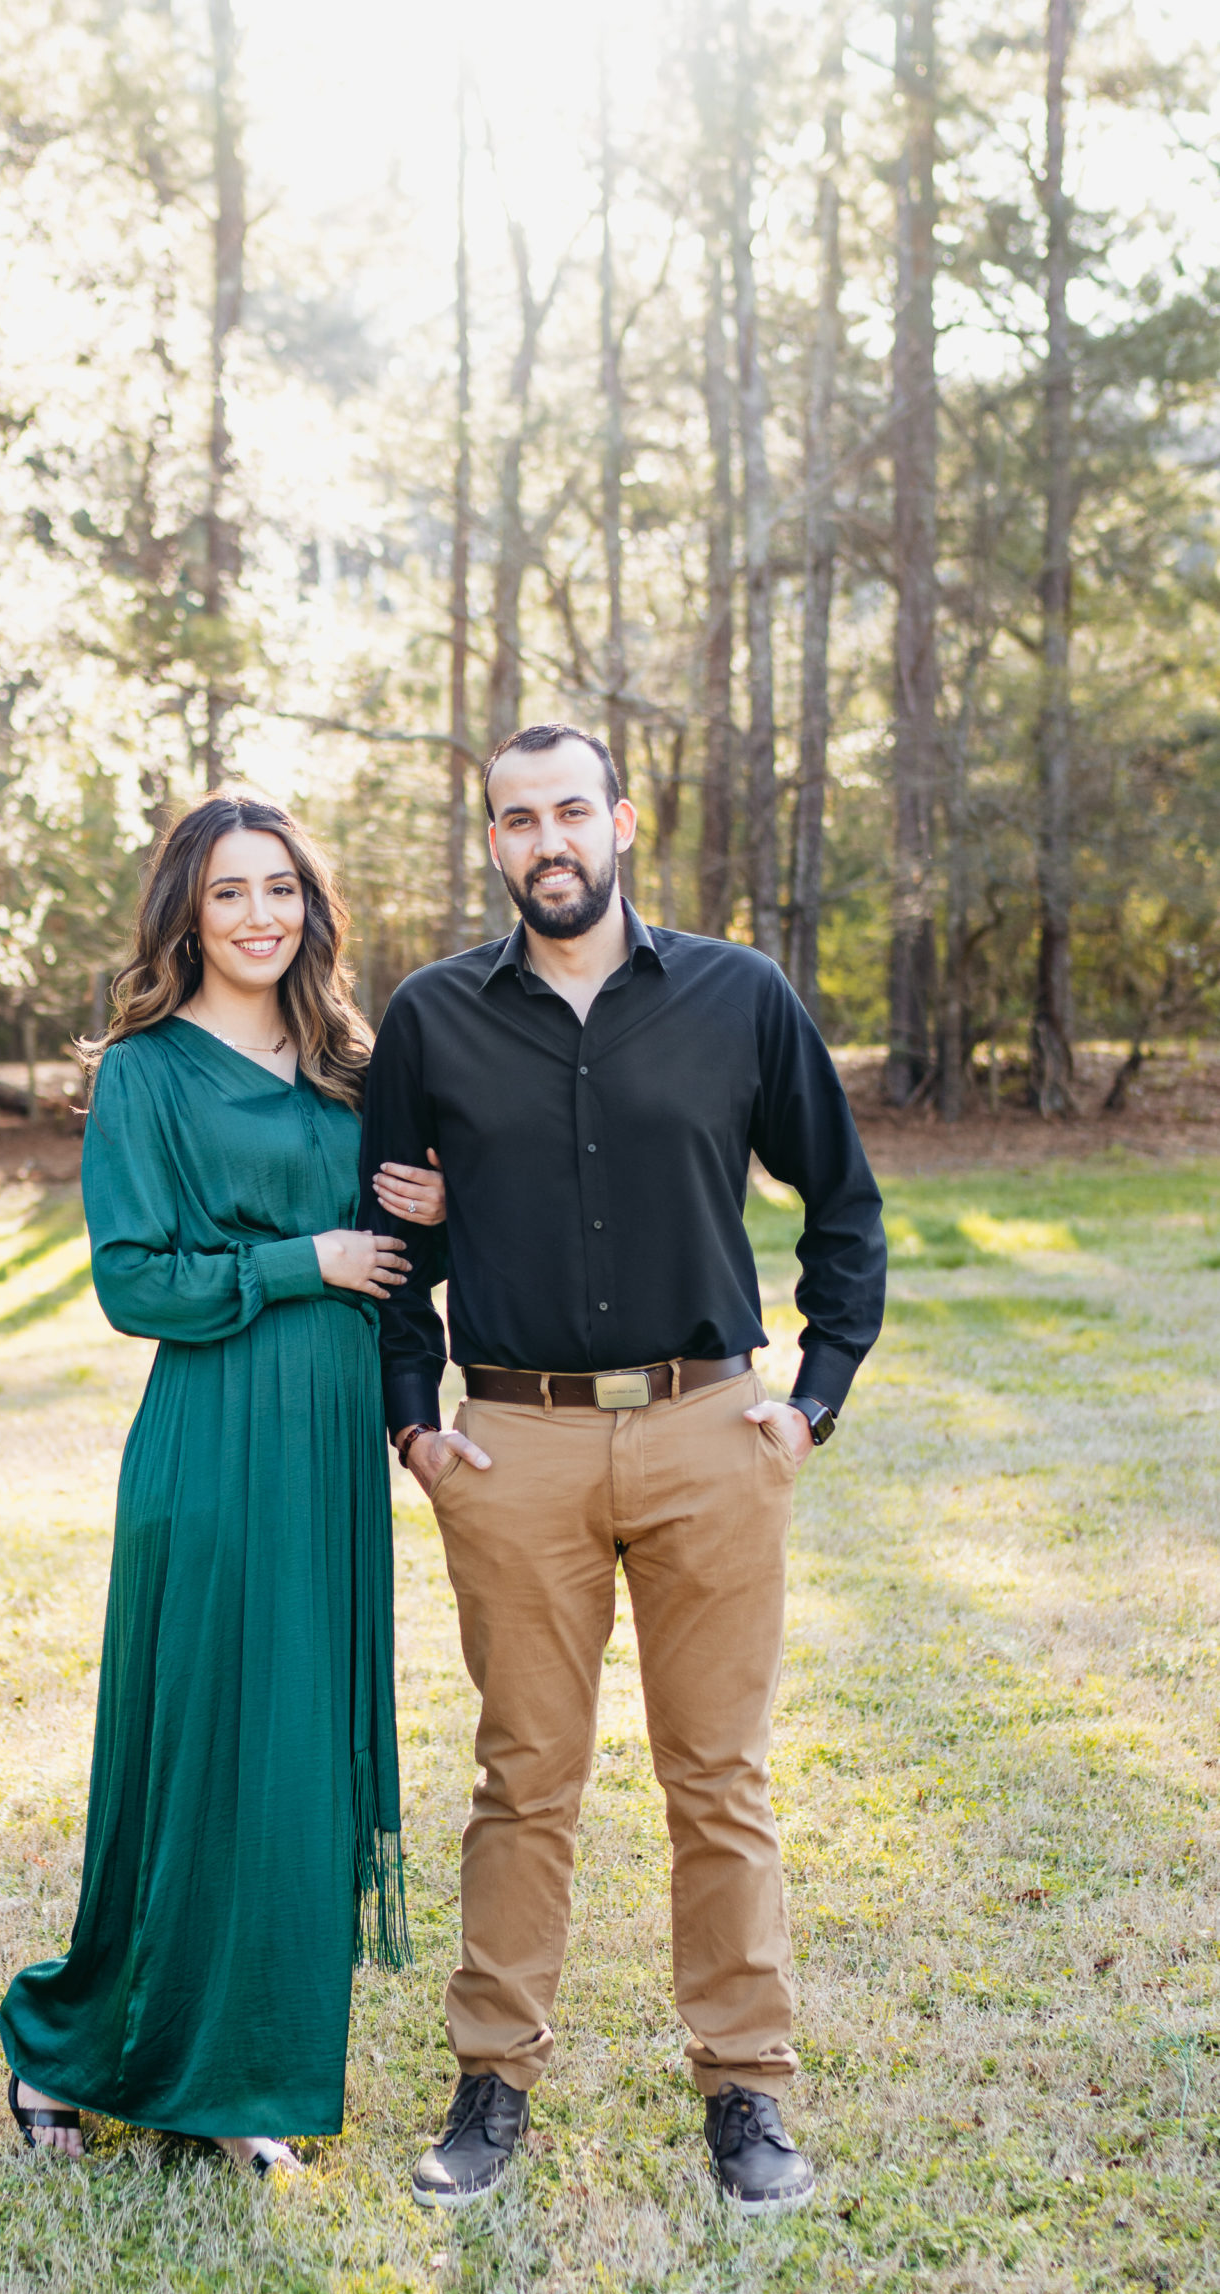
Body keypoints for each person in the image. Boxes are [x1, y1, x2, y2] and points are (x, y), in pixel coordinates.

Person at [362, 722, 886, 2213]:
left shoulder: (739, 996)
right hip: (512, 1439)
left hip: (711, 1430)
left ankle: (748, 2093)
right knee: (524, 1778)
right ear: (492, 844)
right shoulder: (432, 1019)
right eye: (518, 819)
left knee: (717, 1777)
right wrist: (416, 1418)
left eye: (572, 811)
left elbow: (842, 1205)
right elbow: (395, 1243)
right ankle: (490, 2082)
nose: (550, 841)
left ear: (624, 822)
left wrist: (815, 1399)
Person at [0, 791, 444, 2176]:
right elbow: (133, 1281)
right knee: (196, 1755)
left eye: (284, 890)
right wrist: (291, 1263)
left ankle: (245, 2071)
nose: (263, 915)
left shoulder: (355, 1066)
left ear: (313, 909)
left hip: (326, 1452)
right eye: (233, 892)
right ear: (187, 912)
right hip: (211, 1441)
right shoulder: (145, 1071)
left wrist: (425, 1215)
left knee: (299, 1758)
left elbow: (403, 1258)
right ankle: (65, 2050)